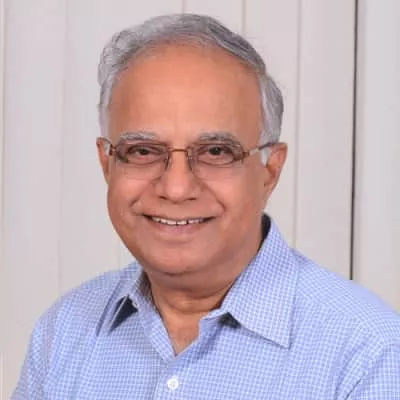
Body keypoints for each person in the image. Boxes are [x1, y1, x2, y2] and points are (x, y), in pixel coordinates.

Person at [12, 13, 400, 400]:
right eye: (143, 151)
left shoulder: (368, 355)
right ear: (106, 164)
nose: (176, 188)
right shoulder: (62, 333)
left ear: (270, 171)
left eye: (216, 151)